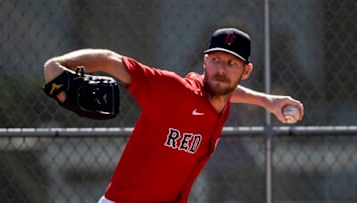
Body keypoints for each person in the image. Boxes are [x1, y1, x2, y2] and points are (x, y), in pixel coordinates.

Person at [44, 27, 304, 203]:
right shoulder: (174, 91)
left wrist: (267, 101)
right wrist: (58, 65)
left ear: (245, 71)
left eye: (231, 63)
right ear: (205, 62)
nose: (221, 69)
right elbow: (110, 60)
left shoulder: (219, 100)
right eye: (215, 60)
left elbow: (225, 91)